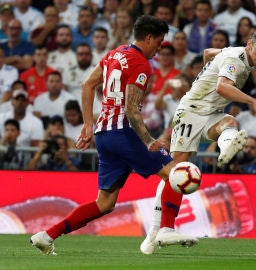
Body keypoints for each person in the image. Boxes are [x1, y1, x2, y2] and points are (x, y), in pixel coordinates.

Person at [29, 14, 180, 256]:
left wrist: (88, 125)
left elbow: (87, 84)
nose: (160, 47)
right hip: (124, 133)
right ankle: (167, 229)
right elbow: (131, 110)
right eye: (159, 41)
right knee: (175, 174)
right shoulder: (141, 64)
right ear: (148, 37)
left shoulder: (115, 53)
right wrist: (150, 141)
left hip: (104, 135)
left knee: (105, 203)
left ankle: (47, 236)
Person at [140, 22, 256, 255]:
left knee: (231, 124)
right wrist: (253, 101)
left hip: (210, 113)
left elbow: (207, 53)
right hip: (191, 112)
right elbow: (223, 88)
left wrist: (206, 73)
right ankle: (159, 230)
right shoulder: (235, 60)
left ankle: (225, 148)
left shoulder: (233, 53)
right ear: (249, 44)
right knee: (176, 171)